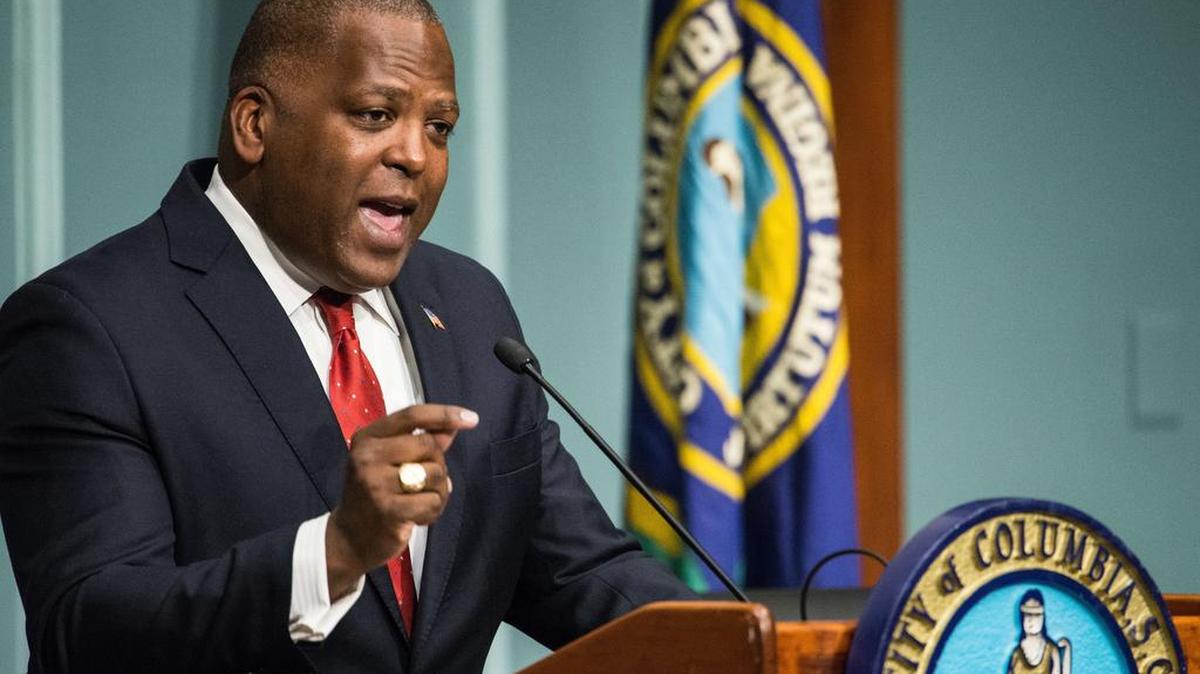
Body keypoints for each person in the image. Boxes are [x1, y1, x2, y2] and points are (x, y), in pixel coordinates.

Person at [0, 1, 692, 672]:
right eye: (375, 115)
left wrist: (759, 645)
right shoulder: (88, 326)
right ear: (254, 124)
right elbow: (86, 629)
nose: (416, 155)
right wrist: (333, 553)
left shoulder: (470, 309)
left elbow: (578, 574)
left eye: (441, 126)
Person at [1007, 590, 1072, 674]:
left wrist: (1067, 650)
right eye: (1027, 615)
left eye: (1036, 615)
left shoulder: (1051, 650)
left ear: (1043, 617)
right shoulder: (1016, 654)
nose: (1031, 620)